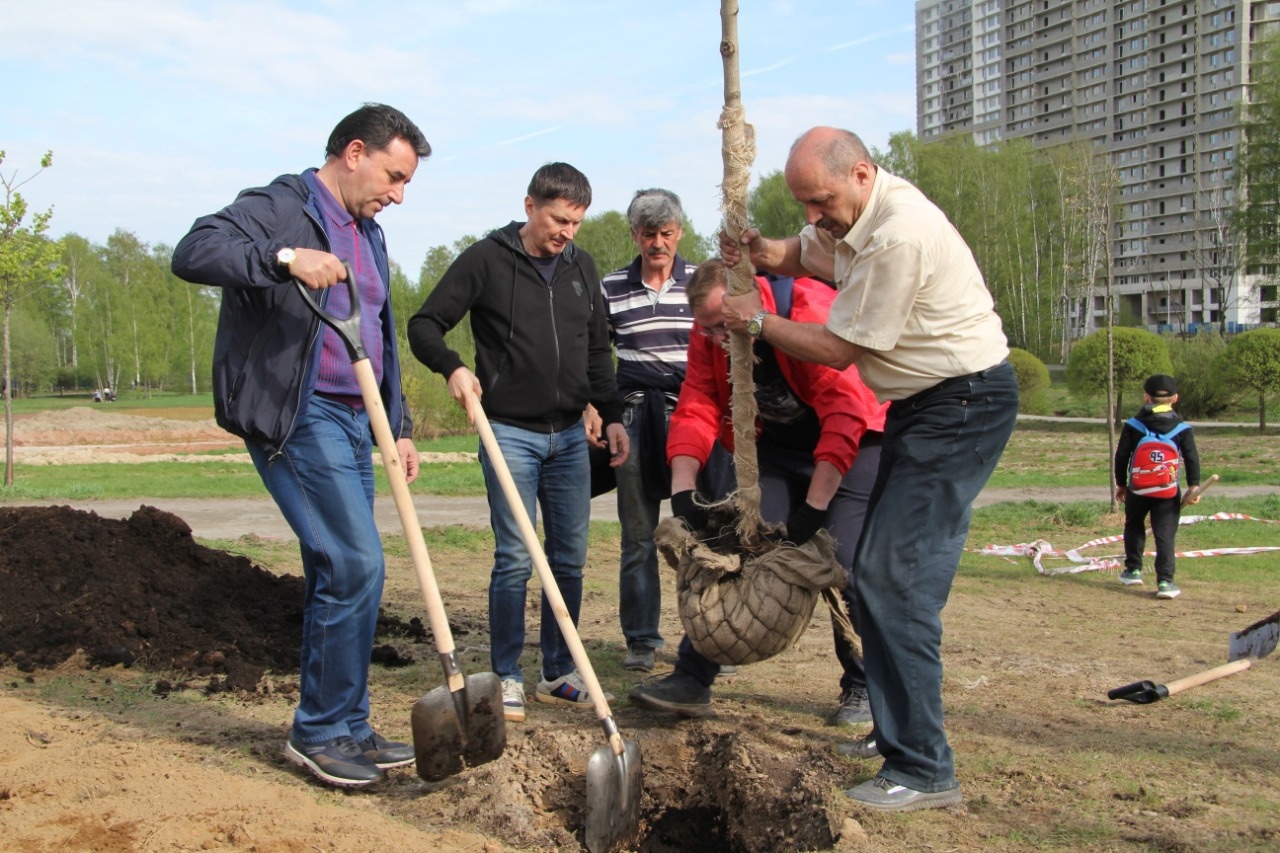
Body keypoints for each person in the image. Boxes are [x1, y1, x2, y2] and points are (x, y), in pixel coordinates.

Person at [718, 126, 1019, 812]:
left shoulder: (898, 234)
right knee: (880, 576)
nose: (814, 214)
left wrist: (757, 320)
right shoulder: (857, 216)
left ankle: (923, 766)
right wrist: (766, 253)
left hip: (963, 403)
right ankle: (898, 736)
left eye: (820, 199)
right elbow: (809, 253)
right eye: (804, 202)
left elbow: (839, 346)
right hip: (923, 406)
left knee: (891, 577)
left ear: (861, 173)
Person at [171, 104, 432, 788]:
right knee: (354, 560)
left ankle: (347, 723)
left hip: (357, 416)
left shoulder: (369, 232)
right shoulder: (281, 205)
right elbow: (193, 251)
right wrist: (284, 258)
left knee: (343, 570)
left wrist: (397, 426)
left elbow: (378, 330)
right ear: (354, 152)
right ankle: (317, 730)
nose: (398, 194)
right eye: (394, 176)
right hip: (299, 415)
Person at [407, 162, 629, 725]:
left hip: (570, 437)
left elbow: (598, 348)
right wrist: (454, 368)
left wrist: (611, 412)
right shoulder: (486, 259)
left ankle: (558, 670)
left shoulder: (582, 267)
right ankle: (506, 674)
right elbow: (425, 324)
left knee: (569, 557)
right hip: (508, 431)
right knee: (513, 558)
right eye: (559, 219)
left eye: (576, 223)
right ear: (530, 206)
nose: (566, 233)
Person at [627, 259, 887, 726]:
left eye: (720, 326)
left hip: (857, 443)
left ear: (748, 304)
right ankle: (693, 676)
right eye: (704, 329)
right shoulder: (712, 331)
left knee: (847, 563)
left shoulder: (810, 312)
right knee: (739, 542)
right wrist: (683, 489)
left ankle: (865, 685)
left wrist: (816, 507)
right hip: (780, 447)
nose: (712, 338)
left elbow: (845, 412)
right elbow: (698, 402)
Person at [584, 188, 729, 674]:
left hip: (695, 415)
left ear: (680, 232)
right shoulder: (610, 286)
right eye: (649, 235)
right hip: (630, 417)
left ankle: (714, 639)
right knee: (639, 536)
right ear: (635, 235)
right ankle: (642, 640)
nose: (658, 244)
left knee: (709, 534)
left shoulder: (703, 282)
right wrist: (593, 407)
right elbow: (593, 355)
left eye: (667, 234)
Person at [1114, 373, 1201, 599]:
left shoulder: (1133, 425)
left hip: (1138, 488)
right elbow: (1192, 458)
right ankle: (1165, 582)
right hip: (1167, 490)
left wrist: (1121, 484)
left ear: (1146, 397)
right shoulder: (1182, 429)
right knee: (1165, 533)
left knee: (1133, 525)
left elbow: (1121, 455)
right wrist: (1193, 486)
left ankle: (1133, 570)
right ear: (1175, 398)